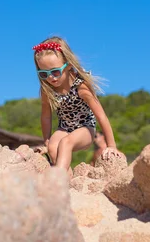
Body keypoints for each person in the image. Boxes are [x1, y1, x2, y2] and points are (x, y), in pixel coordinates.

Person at [33, 36, 121, 173]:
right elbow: (46, 117)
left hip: (85, 128)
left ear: (67, 65)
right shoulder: (47, 90)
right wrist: (47, 141)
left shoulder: (81, 87)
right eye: (44, 74)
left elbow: (101, 116)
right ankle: (67, 182)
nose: (51, 77)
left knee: (65, 143)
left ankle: (57, 180)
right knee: (53, 148)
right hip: (64, 128)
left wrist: (112, 145)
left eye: (55, 71)